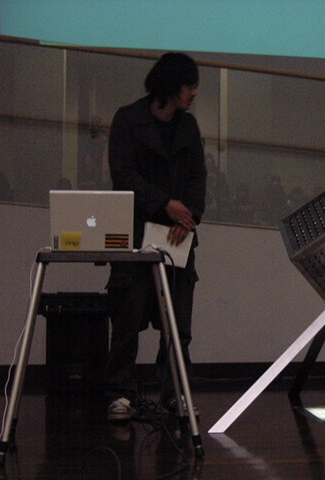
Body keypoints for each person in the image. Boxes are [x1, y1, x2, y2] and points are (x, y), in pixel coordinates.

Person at [105, 52, 207, 421]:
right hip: (135, 233)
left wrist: (188, 216)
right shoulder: (128, 119)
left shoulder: (188, 126)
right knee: (126, 319)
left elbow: (198, 177)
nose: (193, 93)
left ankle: (175, 392)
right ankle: (120, 392)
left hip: (178, 237)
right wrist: (166, 204)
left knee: (177, 326)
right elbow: (123, 174)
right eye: (188, 85)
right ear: (170, 86)